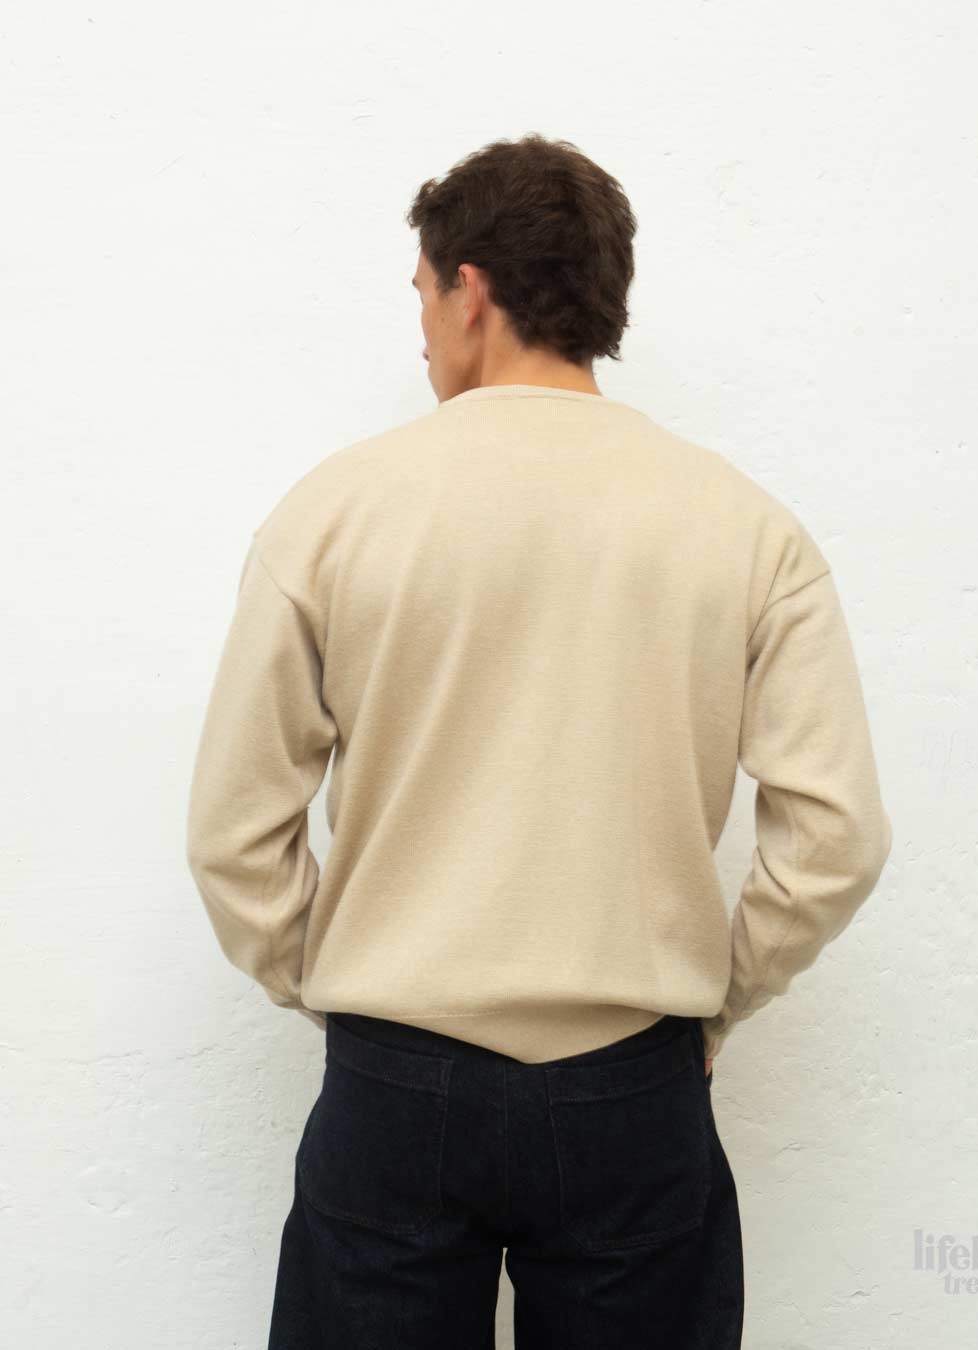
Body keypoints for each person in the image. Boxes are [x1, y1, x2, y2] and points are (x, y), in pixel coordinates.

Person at [185, 132, 892, 1349]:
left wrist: (339, 991)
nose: (421, 335)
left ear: (471, 290)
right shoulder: (745, 527)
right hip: (633, 1085)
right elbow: (837, 838)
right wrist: (714, 1005)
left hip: (395, 1081)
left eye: (422, 294)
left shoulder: (334, 514)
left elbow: (231, 834)